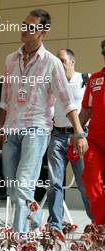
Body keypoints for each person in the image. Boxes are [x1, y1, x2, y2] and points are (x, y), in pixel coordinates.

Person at [0, 9, 88, 249]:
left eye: (31, 26)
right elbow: (4, 99)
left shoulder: (52, 63)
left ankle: (18, 239)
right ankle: (35, 222)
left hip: (37, 130)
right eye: (24, 25)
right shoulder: (10, 59)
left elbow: (67, 101)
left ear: (43, 31)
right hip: (11, 130)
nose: (25, 29)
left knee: (24, 183)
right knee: (13, 188)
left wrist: (78, 132)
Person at [47, 49, 92, 232]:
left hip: (79, 137)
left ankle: (97, 224)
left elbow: (93, 106)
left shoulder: (85, 79)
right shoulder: (52, 83)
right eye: (56, 60)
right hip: (57, 136)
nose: (59, 63)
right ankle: (55, 226)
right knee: (54, 183)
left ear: (72, 62)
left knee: (84, 184)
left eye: (63, 60)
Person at [79, 40, 105, 224]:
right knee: (90, 179)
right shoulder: (95, 79)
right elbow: (86, 110)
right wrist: (77, 134)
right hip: (95, 141)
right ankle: (100, 225)